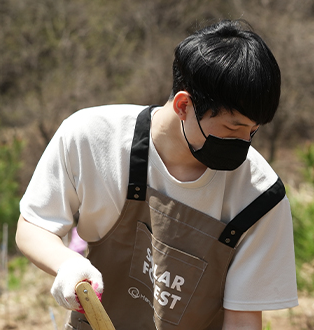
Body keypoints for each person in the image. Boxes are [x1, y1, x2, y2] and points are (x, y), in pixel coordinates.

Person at [15, 20, 298, 330]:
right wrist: (68, 264)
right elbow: (34, 225)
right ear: (183, 105)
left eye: (253, 131)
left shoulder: (260, 196)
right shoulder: (92, 139)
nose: (244, 143)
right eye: (233, 128)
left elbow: (243, 321)